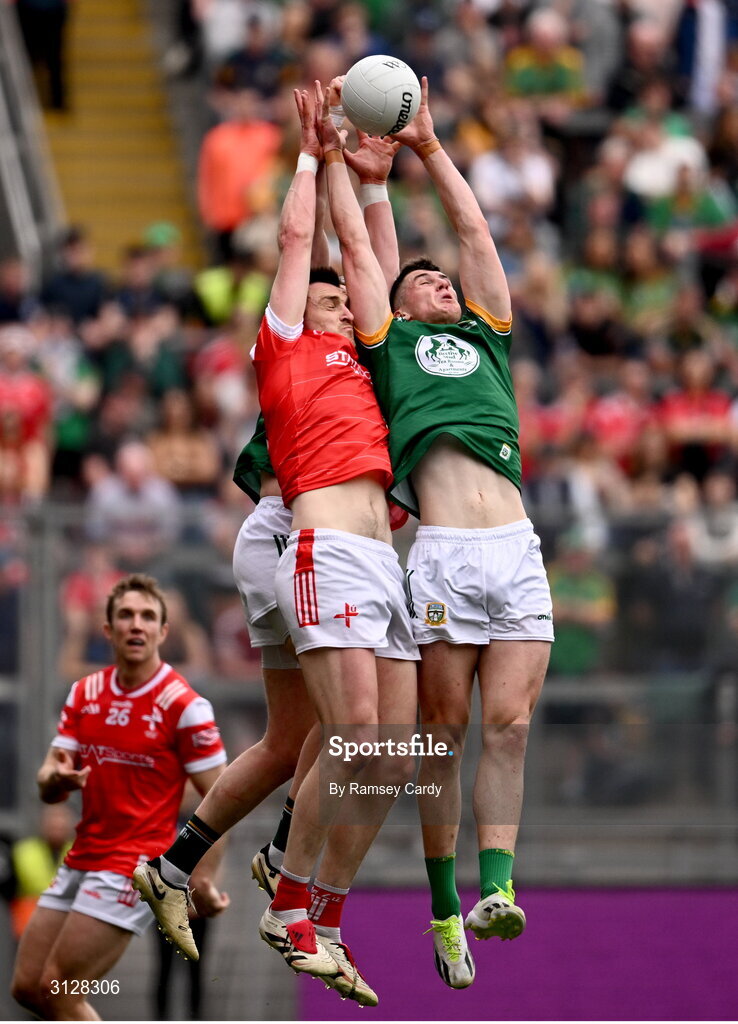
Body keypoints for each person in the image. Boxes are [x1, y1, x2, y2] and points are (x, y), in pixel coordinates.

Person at [135, 86, 418, 1006]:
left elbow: (371, 262)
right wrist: (312, 156)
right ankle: (290, 896)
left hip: (376, 560)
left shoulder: (375, 367)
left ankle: (198, 870)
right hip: (308, 541)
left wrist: (367, 174)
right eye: (329, 299)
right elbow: (305, 250)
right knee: (350, 733)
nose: (340, 301)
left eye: (345, 298)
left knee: (366, 746)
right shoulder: (291, 349)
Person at [322, 77, 553, 989]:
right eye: (423, 278)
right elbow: (358, 253)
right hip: (447, 554)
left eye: (443, 279)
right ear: (402, 302)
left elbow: (477, 236)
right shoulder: (391, 345)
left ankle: (496, 888)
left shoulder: (490, 337)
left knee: (512, 723)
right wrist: (343, 165)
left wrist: (428, 146)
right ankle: (445, 907)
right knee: (442, 733)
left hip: (517, 548)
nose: (440, 279)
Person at [10, 574, 228, 1021]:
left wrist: (204, 877)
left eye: (148, 616)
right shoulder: (84, 692)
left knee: (59, 990)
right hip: (82, 856)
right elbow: (48, 780)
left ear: (164, 632)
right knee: (28, 988)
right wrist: (55, 779)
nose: (137, 624)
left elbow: (224, 799)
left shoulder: (185, 706)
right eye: (125, 615)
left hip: (133, 865)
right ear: (106, 629)